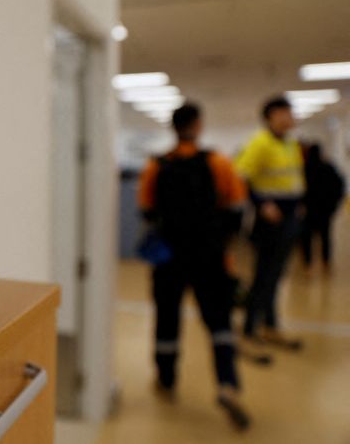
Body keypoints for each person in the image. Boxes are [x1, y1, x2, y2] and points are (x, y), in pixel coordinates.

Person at [138, 102, 250, 430]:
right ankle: (227, 383)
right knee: (219, 323)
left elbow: (146, 210)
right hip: (210, 257)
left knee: (167, 319)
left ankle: (167, 378)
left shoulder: (156, 167)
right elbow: (237, 208)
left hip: (170, 258)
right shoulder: (218, 163)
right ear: (198, 126)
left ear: (173, 127)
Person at [234, 96, 304, 350]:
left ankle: (271, 325)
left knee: (276, 276)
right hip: (269, 221)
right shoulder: (259, 143)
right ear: (270, 117)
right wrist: (262, 204)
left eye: (290, 112)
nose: (289, 117)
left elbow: (291, 178)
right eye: (283, 113)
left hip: (289, 217)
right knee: (264, 275)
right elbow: (242, 177)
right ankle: (251, 326)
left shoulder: (290, 143)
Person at [302, 143, 345, 275]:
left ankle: (308, 264)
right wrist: (334, 205)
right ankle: (326, 262)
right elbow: (340, 187)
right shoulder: (329, 168)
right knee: (325, 236)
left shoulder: (303, 169)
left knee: (307, 237)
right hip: (325, 210)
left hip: (308, 210)